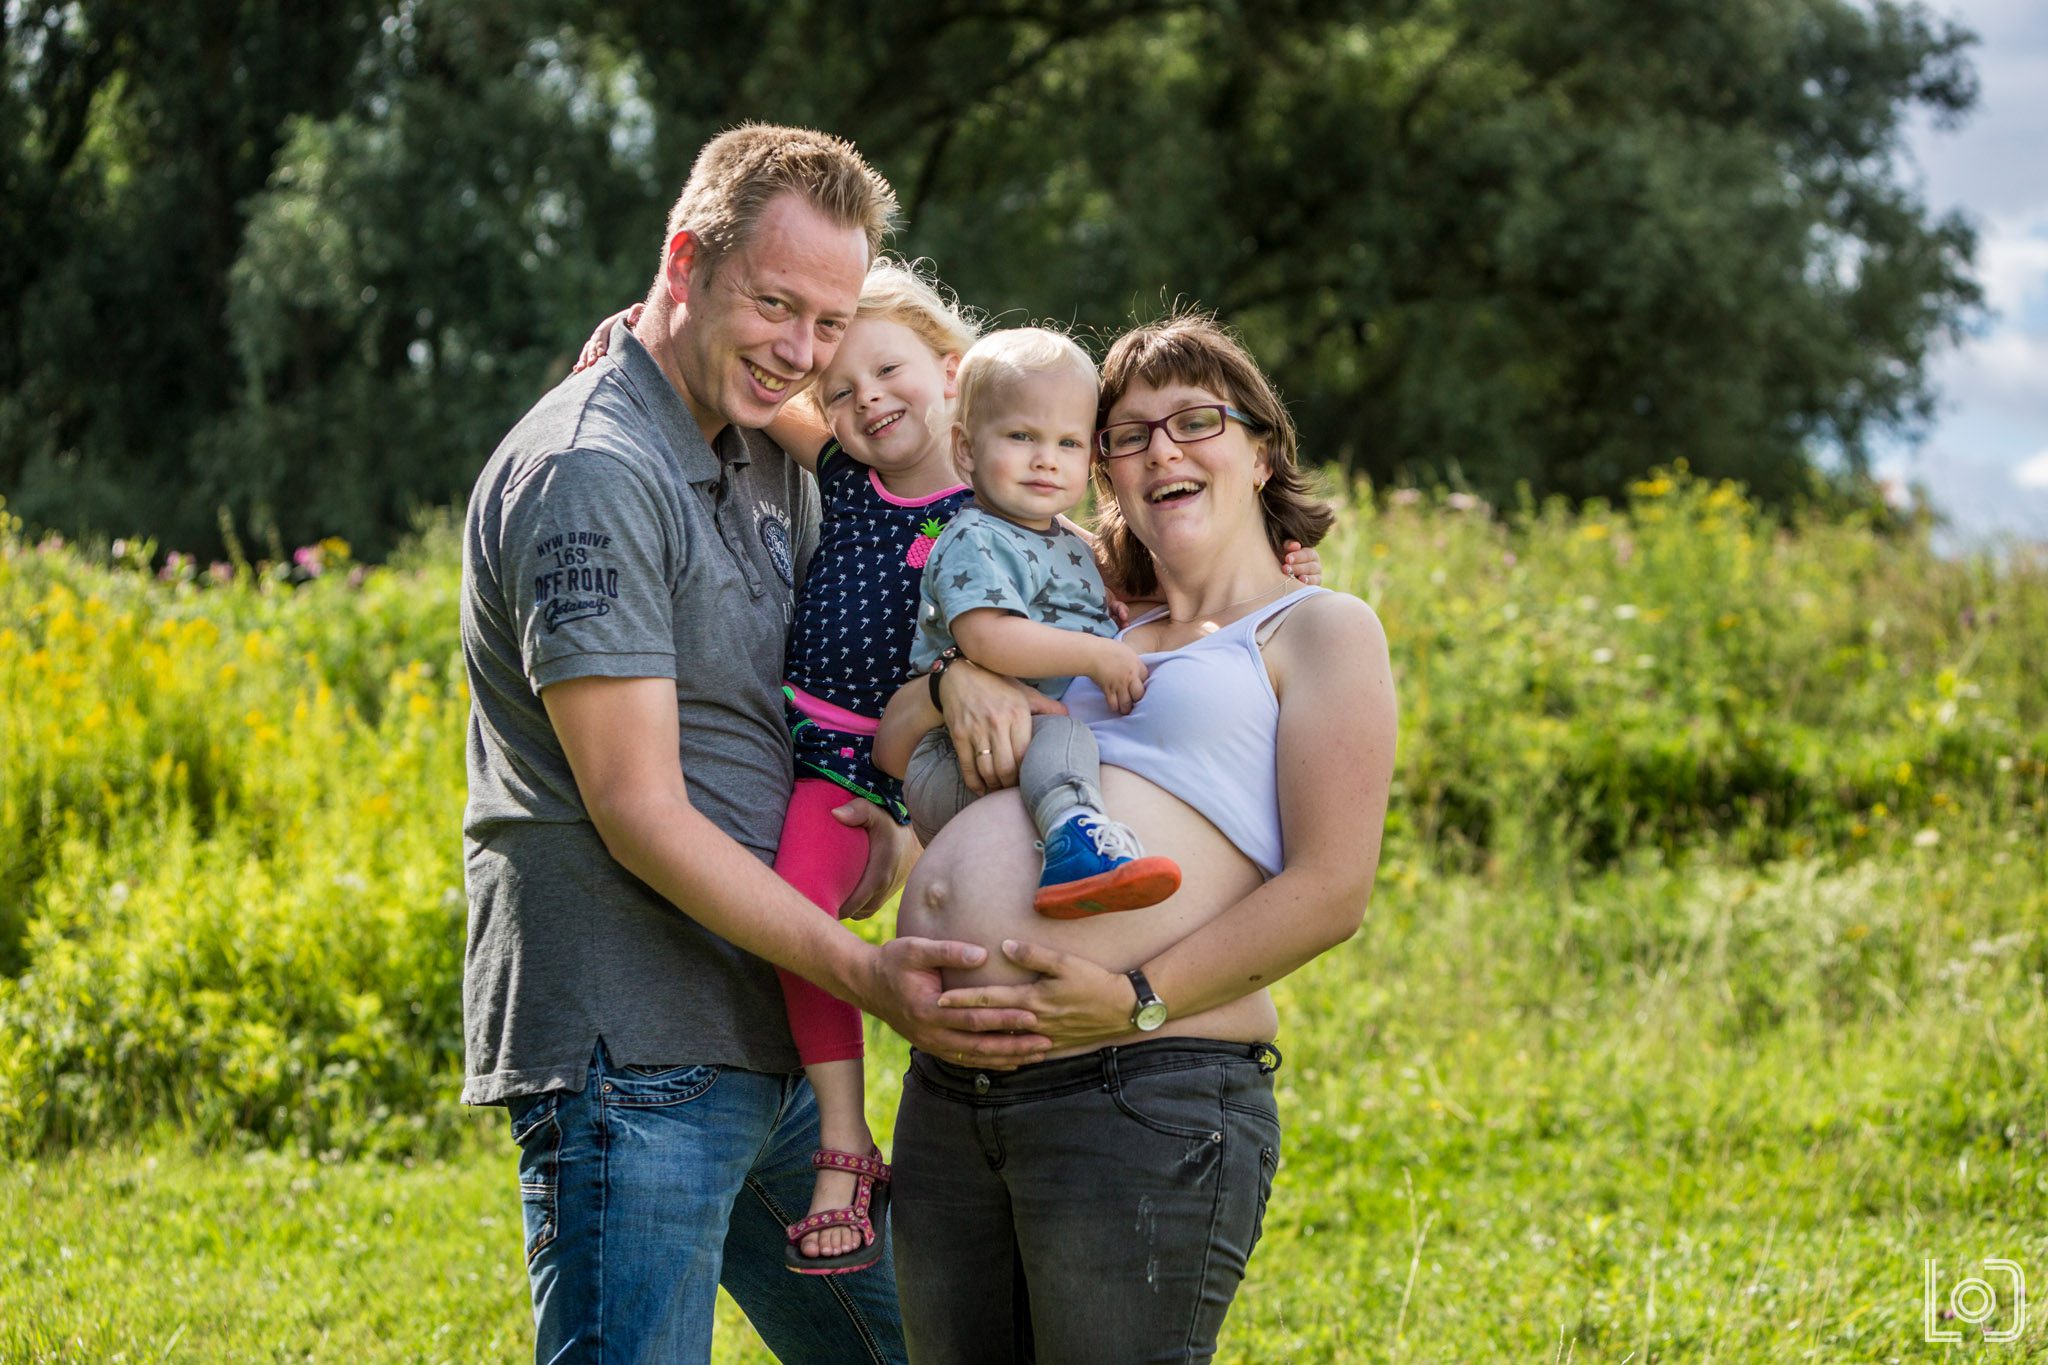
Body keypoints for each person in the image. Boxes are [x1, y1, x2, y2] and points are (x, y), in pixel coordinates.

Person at [460, 124, 1044, 1365]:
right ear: (687, 261)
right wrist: (863, 973)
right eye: (773, 304)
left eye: (827, 323)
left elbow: (935, 538)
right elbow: (638, 809)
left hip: (762, 1037)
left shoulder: (756, 441)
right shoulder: (593, 475)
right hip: (636, 1052)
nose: (801, 351)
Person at [871, 311, 1398, 1364]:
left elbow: (1331, 888)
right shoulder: (1086, 619)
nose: (1160, 446)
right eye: (1128, 433)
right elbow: (891, 743)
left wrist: (1134, 996)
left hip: (1137, 1084)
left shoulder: (1314, 628)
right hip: (953, 1085)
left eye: (1195, 420)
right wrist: (956, 677)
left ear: (1260, 452)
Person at [902, 325, 1181, 919]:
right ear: (967, 450)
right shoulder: (975, 537)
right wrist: (1094, 654)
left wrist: (1287, 566)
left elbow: (1163, 600)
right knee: (1063, 732)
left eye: (1068, 443)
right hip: (961, 754)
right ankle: (1076, 841)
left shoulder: (1063, 543)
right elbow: (988, 638)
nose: (1045, 461)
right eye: (1022, 435)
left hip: (1014, 747)